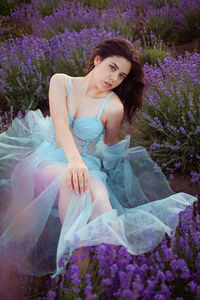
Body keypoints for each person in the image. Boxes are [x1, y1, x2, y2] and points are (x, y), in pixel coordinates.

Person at [0, 38, 197, 278]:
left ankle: (116, 269)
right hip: (50, 160)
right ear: (97, 60)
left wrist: (118, 171)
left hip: (88, 165)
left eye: (122, 75)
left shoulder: (113, 106)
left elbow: (110, 144)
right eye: (112, 67)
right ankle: (80, 268)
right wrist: (74, 162)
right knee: (71, 180)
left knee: (100, 196)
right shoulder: (61, 82)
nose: (114, 78)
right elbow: (61, 124)